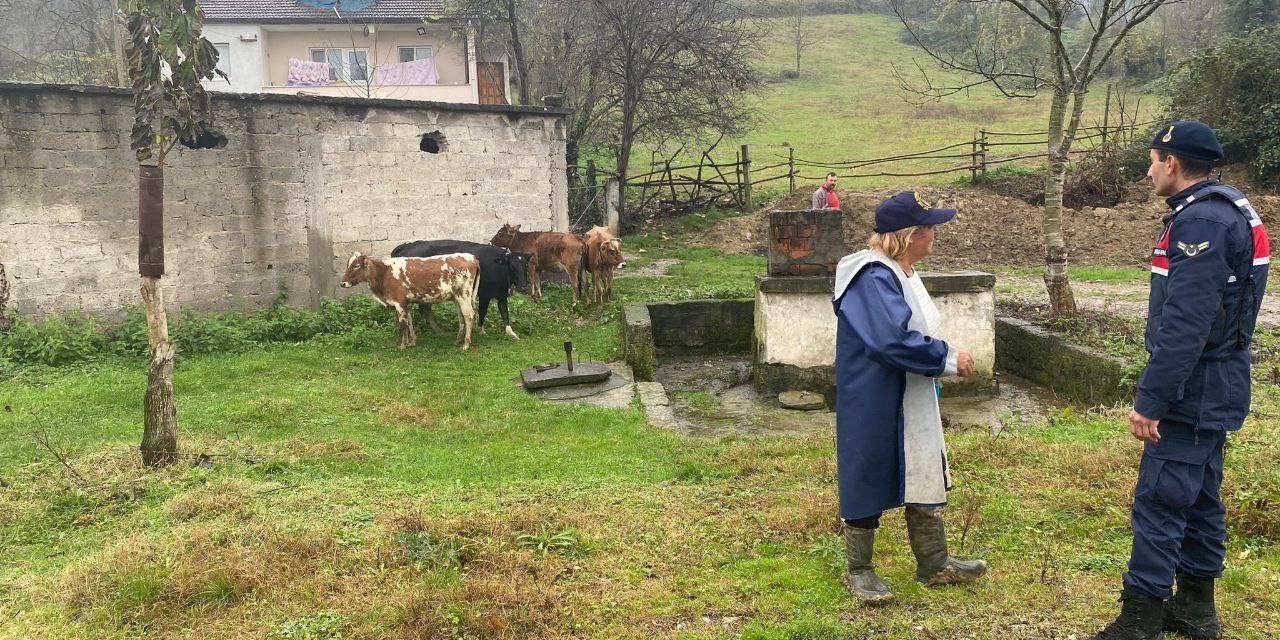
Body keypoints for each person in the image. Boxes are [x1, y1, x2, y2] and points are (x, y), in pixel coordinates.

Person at [1090, 121, 1270, 640]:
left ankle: (1140, 618)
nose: (1148, 171)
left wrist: (1152, 399)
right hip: (1219, 381)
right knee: (1200, 496)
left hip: (1194, 387)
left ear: (1171, 162)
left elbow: (1187, 324)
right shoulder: (1230, 207)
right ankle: (1196, 609)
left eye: (1152, 160)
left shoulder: (1201, 223)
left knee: (1163, 499)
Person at [831, 191, 986, 605]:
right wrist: (948, 359)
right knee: (868, 468)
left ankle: (934, 562)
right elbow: (890, 340)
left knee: (922, 460)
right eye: (928, 228)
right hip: (874, 393)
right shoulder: (872, 276)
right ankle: (860, 570)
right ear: (909, 235)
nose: (934, 234)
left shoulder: (902, 271)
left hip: (909, 389)